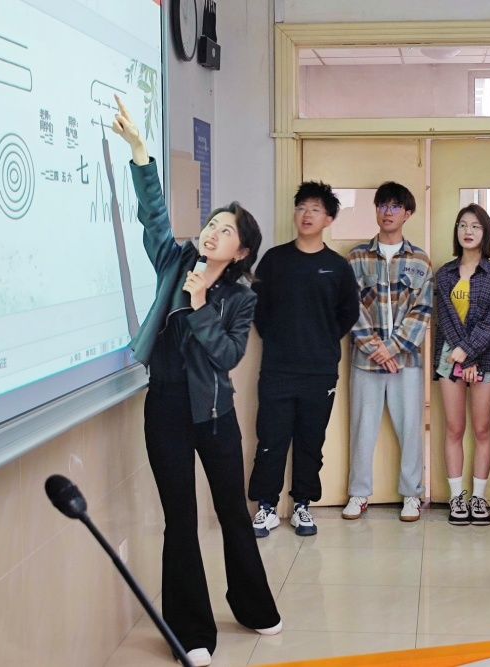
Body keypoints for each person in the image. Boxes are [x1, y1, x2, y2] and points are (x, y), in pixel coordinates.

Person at [112, 95, 280, 667]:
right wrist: (141, 154)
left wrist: (203, 304)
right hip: (164, 409)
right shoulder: (174, 262)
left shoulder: (241, 297)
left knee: (232, 511)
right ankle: (190, 632)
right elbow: (154, 217)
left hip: (215, 416)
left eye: (225, 230)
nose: (212, 233)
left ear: (242, 250)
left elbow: (228, 356)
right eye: (212, 224)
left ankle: (253, 606)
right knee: (180, 519)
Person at [248, 181, 360, 537]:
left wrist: (322, 340)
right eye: (301, 208)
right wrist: (278, 339)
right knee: (271, 439)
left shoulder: (337, 267)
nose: (306, 214)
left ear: (328, 219)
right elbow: (258, 309)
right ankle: (266, 507)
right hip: (278, 368)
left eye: (315, 209)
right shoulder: (274, 260)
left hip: (320, 370)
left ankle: (302, 506)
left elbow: (349, 313)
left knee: (311, 442)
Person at [343, 181, 433, 522]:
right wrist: (376, 350)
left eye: (395, 206)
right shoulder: (356, 257)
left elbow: (422, 311)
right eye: (382, 205)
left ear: (407, 213)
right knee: (362, 428)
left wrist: (392, 350)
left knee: (411, 429)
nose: (387, 212)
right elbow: (350, 307)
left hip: (406, 360)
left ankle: (412, 494)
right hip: (365, 361)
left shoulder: (420, 260)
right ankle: (359, 493)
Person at [433, 204, 490, 526]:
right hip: (450, 358)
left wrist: (471, 355)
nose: (468, 231)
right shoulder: (444, 274)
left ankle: (479, 497)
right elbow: (446, 320)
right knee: (454, 428)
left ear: (485, 232)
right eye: (463, 225)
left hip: (485, 359)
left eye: (475, 226)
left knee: (482, 429)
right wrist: (462, 354)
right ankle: (457, 498)